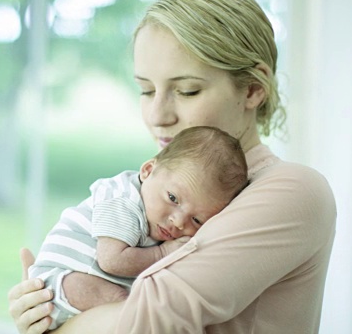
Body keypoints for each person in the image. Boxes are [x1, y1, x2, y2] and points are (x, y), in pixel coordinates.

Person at [8, 0, 336, 334]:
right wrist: (45, 306)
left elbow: (150, 320)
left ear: (254, 89)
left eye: (187, 90)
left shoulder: (292, 192)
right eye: (146, 90)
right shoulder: (159, 194)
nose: (157, 115)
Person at [29, 126, 248, 330]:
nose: (179, 222)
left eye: (197, 220)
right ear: (148, 170)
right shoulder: (123, 200)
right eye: (173, 198)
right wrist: (163, 252)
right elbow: (112, 260)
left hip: (74, 295)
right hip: (58, 284)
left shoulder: (157, 215)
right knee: (130, 311)